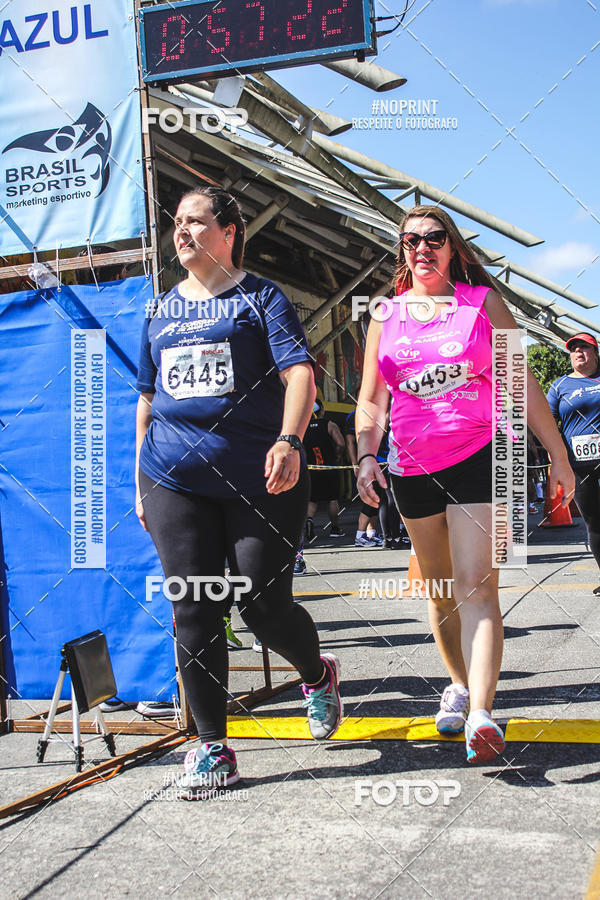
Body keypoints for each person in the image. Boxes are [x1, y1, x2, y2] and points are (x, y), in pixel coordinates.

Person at [135, 186, 342, 798]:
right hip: (173, 477)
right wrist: (137, 482)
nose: (183, 232)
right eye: (178, 223)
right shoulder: (159, 309)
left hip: (260, 476)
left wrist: (291, 439)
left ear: (229, 231)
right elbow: (147, 396)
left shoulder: (261, 298)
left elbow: (299, 371)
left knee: (261, 605)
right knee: (194, 606)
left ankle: (316, 672)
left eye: (197, 221)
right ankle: (212, 748)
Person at [356, 205, 574, 764]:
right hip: (410, 466)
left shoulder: (482, 305)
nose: (422, 248)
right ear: (402, 250)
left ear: (452, 247)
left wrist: (556, 454)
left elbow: (521, 383)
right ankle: (457, 683)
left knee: (478, 587)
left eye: (434, 238)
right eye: (411, 240)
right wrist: (365, 455)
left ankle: (482, 713)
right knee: (440, 591)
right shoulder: (385, 312)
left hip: (483, 457)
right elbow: (373, 399)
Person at [547, 333, 600, 593]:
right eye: (574, 349)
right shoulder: (560, 386)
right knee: (594, 521)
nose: (579, 352)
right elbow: (547, 423)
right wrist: (555, 455)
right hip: (579, 465)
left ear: (595, 352)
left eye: (585, 348)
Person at [303, 399, 346, 539]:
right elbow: (341, 443)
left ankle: (309, 521)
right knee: (332, 499)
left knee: (312, 499)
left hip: (311, 468)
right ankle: (335, 529)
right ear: (321, 410)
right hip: (329, 466)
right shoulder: (329, 425)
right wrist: (337, 455)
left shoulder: (303, 427)